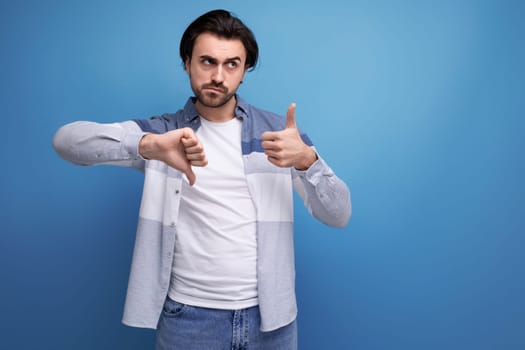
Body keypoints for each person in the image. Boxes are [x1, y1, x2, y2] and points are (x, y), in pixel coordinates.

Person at [53, 9, 351, 350]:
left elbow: (338, 215)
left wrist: (307, 161)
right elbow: (66, 141)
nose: (218, 76)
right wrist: (148, 145)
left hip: (271, 323)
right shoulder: (164, 133)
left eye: (231, 64)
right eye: (207, 62)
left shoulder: (279, 137)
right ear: (187, 63)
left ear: (244, 71)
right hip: (189, 322)